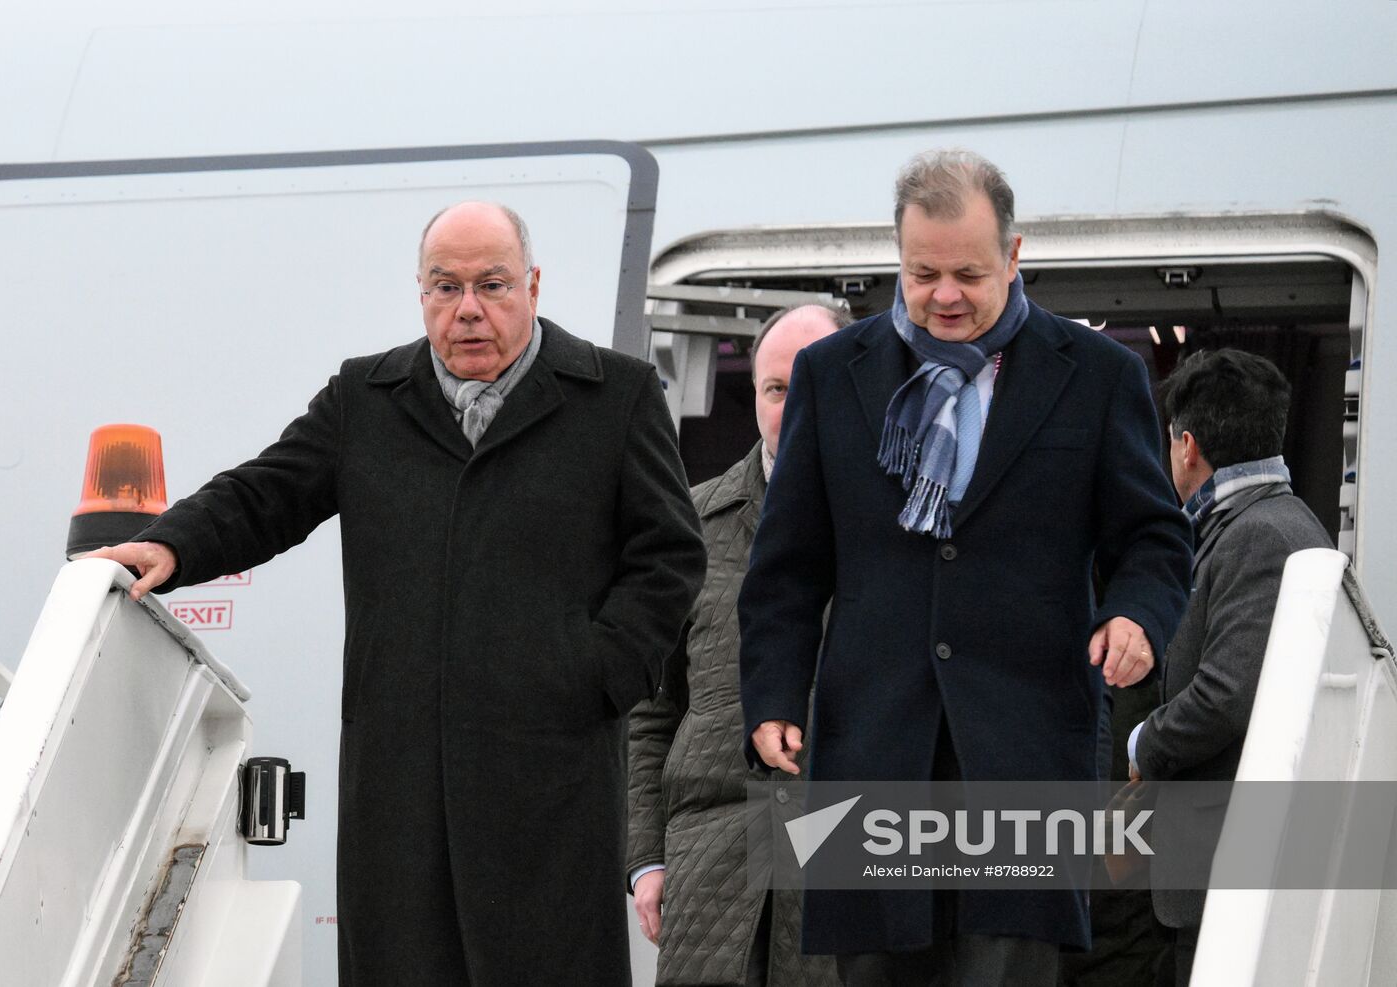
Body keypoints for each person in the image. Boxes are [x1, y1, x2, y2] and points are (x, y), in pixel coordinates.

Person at [89, 201, 706, 986]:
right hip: (401, 781)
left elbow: (671, 556)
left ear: (534, 284)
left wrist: (594, 674)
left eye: (492, 284)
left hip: (549, 781)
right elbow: (265, 494)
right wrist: (173, 542)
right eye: (444, 287)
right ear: (420, 293)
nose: (468, 309)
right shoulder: (365, 399)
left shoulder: (614, 397)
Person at [738, 149, 1194, 985]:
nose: (944, 294)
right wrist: (771, 694)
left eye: (968, 273)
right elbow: (787, 567)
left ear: (1015, 257)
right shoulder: (829, 374)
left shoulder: (1099, 377)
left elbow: (1156, 539)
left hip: (1025, 747)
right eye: (923, 273)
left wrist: (1136, 615)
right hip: (871, 744)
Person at [627, 304, 848, 987]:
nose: (793, 406)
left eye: (813, 386)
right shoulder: (690, 524)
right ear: (753, 396)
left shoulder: (907, 526)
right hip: (712, 861)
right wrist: (645, 858)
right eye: (777, 388)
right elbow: (649, 706)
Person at [1128, 348, 1332, 986]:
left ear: (1187, 446)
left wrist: (1145, 742)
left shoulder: (1259, 535)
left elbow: (1226, 692)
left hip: (1230, 863)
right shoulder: (1266, 522)